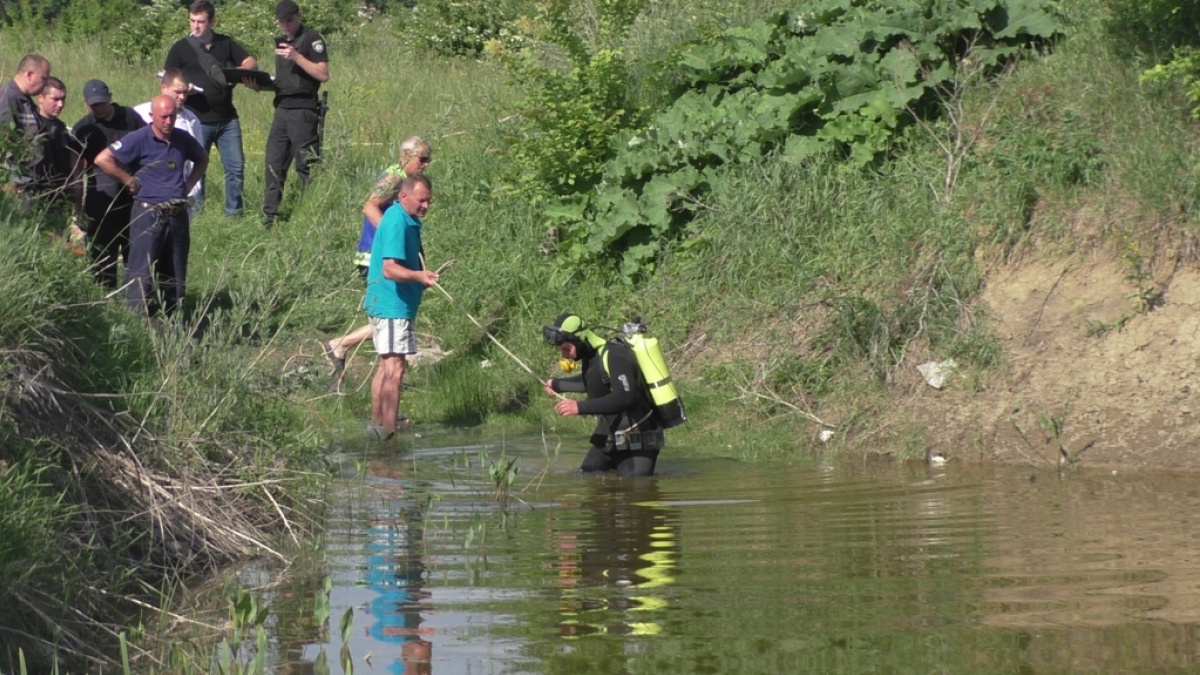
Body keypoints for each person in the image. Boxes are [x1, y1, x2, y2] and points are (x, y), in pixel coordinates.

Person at [322, 137, 431, 387]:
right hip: (377, 255)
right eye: (422, 158)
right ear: (406, 155)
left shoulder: (408, 181)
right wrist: (391, 238)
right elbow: (369, 206)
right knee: (390, 314)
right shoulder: (395, 177)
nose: (425, 164)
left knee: (392, 315)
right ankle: (342, 345)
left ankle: (379, 370)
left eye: (428, 160)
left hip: (390, 254)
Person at [94, 95, 208, 316]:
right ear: (151, 116)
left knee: (174, 274)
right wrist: (128, 180)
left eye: (172, 117)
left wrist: (189, 184)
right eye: (163, 117)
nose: (168, 122)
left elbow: (202, 158)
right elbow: (103, 159)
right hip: (148, 213)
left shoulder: (182, 138)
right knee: (140, 273)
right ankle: (135, 320)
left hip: (177, 214)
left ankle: (172, 319)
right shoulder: (139, 138)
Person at [543, 313, 667, 477]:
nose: (564, 356)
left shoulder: (614, 355)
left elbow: (625, 396)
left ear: (580, 338)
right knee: (586, 478)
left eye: (566, 349)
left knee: (636, 495)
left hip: (638, 440)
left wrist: (579, 407)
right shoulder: (592, 357)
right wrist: (558, 384)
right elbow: (594, 381)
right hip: (610, 436)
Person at [362, 173, 438, 440]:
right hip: (392, 304)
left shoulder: (405, 218)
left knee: (386, 367)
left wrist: (419, 276)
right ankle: (389, 434)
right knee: (395, 369)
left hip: (388, 302)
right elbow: (390, 269)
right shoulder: (396, 221)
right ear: (403, 196)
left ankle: (378, 427)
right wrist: (419, 276)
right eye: (421, 200)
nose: (426, 206)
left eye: (429, 201)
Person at [164, 0, 256, 216]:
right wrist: (185, 90)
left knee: (235, 168)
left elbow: (251, 62)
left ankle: (234, 214)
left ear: (212, 21)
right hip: (197, 119)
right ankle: (196, 215)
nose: (195, 26)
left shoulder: (225, 43)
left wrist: (239, 73)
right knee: (197, 169)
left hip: (227, 118)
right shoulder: (181, 47)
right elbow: (167, 79)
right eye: (192, 21)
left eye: (201, 21)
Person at [258, 0, 330, 225]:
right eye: (281, 21)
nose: (286, 25)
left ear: (298, 16)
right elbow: (286, 81)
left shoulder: (311, 39)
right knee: (274, 163)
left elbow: (323, 73)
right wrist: (260, 84)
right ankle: (269, 216)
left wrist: (297, 57)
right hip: (282, 108)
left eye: (289, 20)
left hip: (303, 110)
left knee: (305, 164)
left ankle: (310, 214)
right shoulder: (281, 43)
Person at [73, 79, 147, 287]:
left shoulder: (129, 117)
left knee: (135, 249)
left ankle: (135, 294)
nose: (98, 108)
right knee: (103, 254)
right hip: (102, 199)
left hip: (133, 195)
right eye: (93, 104)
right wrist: (78, 206)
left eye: (102, 103)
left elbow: (146, 144)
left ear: (110, 98)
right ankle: (104, 296)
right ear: (85, 102)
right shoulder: (83, 128)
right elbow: (76, 169)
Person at [134, 69, 203, 210]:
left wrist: (191, 187)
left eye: (185, 92)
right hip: (148, 195)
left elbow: (200, 157)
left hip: (179, 192)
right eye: (177, 92)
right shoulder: (141, 113)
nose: (182, 97)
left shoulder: (191, 119)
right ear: (163, 87)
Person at [0, 54, 51, 196]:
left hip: (31, 183)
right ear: (29, 75)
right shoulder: (7, 98)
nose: (46, 84)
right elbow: (4, 145)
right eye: (44, 78)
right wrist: (11, 183)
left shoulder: (26, 101)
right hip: (17, 187)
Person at [32, 76, 83, 209]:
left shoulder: (60, 126)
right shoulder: (33, 124)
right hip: (37, 194)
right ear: (40, 98)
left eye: (63, 99)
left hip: (60, 195)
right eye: (55, 99)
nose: (60, 104)